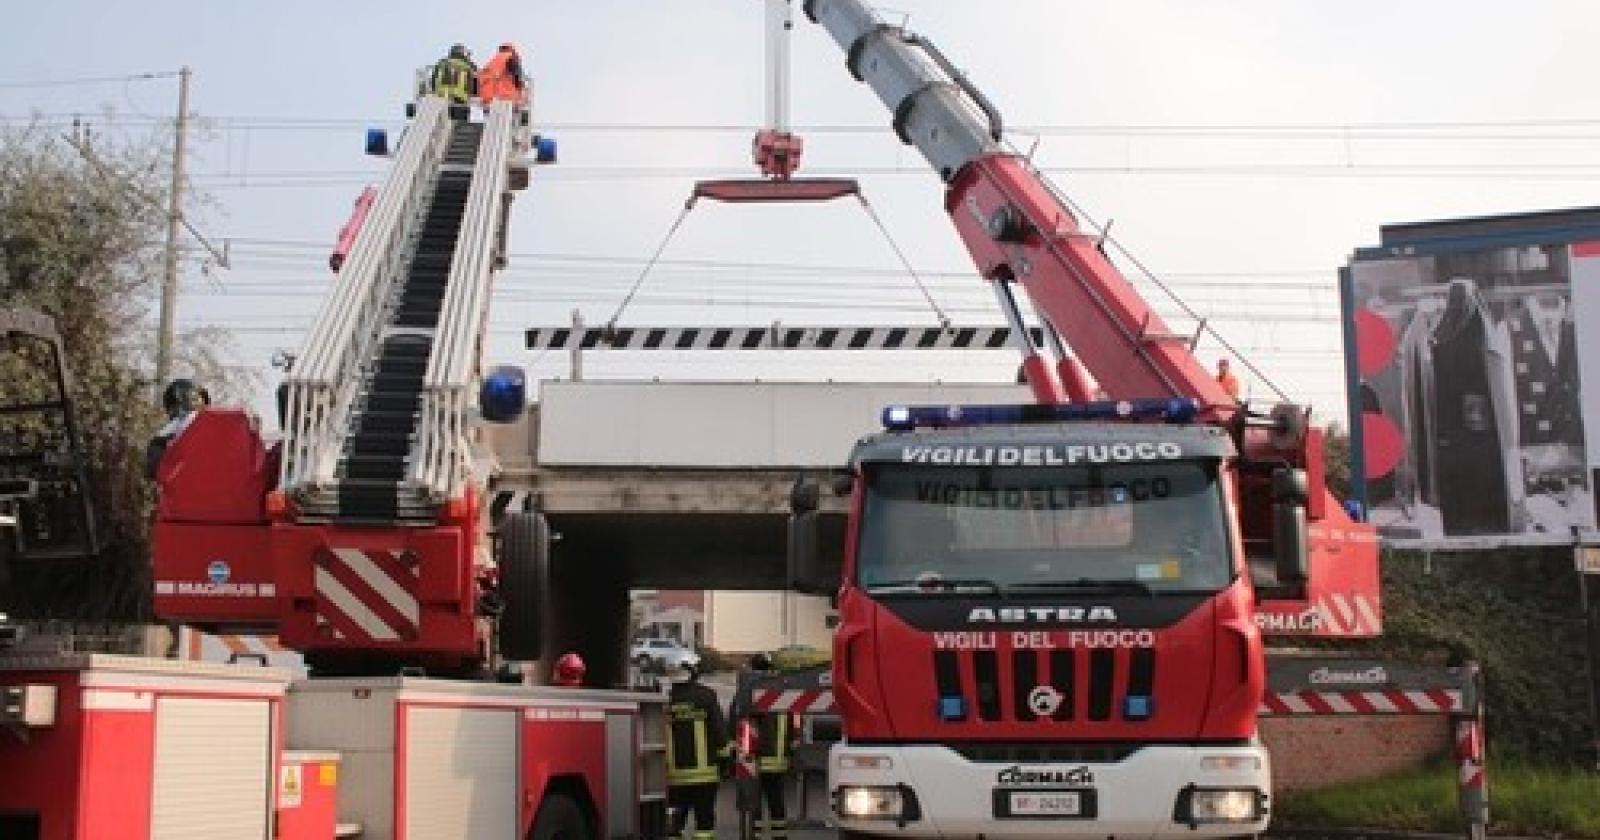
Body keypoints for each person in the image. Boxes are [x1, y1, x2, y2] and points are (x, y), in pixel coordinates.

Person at [728, 653, 797, 840]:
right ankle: (780, 836)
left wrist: (735, 751)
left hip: (756, 759)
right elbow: (793, 724)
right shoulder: (784, 691)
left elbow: (736, 719)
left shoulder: (747, 690)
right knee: (776, 800)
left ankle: (755, 835)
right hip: (779, 759)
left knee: (754, 800)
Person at [666, 663, 729, 840]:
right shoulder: (706, 696)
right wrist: (725, 763)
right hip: (705, 775)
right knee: (704, 824)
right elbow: (719, 733)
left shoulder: (666, 699)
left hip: (674, 776)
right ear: (693, 675)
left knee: (674, 825)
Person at [430, 44, 478, 114]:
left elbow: (433, 80)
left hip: (441, 96)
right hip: (460, 98)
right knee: (460, 121)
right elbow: (475, 85)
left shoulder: (442, 63)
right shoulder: (470, 66)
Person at [478, 42, 527, 108]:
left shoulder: (490, 63)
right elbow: (517, 78)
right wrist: (522, 94)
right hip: (505, 98)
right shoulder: (510, 59)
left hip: (487, 99)